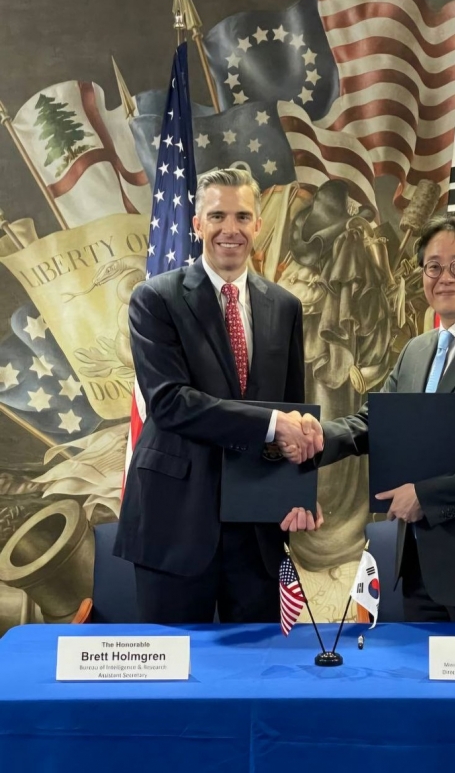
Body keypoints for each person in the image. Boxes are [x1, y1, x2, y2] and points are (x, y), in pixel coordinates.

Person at [281, 213, 455, 623]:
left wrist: (425, 496)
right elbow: (376, 422)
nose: (445, 277)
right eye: (433, 266)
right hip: (415, 568)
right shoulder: (416, 351)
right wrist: (318, 436)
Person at [114, 168, 323, 624]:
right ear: (197, 225)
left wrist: (299, 484)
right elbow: (169, 402)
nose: (231, 229)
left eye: (242, 216)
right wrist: (272, 425)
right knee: (170, 678)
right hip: (174, 523)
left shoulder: (285, 306)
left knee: (257, 676)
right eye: (218, 216)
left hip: (257, 527)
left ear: (258, 226)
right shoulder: (155, 299)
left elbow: (292, 411)